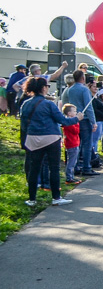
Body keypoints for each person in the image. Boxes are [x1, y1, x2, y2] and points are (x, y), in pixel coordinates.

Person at [20, 77, 77, 206]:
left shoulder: (26, 104)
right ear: (43, 88)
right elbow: (63, 120)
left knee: (34, 169)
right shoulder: (49, 104)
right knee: (54, 168)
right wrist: (77, 119)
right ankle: (56, 197)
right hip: (51, 138)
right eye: (47, 86)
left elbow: (23, 125)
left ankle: (32, 199)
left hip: (33, 139)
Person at [62, 70, 99, 177]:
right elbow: (89, 106)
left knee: (76, 144)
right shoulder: (84, 89)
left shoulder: (70, 89)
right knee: (87, 145)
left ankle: (75, 167)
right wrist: (93, 122)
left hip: (74, 119)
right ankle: (86, 167)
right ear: (83, 78)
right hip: (85, 119)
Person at [61, 104, 82, 185]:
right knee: (71, 162)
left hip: (74, 143)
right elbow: (76, 131)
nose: (76, 113)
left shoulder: (68, 121)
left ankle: (71, 176)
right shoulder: (69, 122)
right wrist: (77, 121)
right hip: (72, 143)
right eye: (74, 111)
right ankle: (69, 177)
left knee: (73, 161)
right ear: (69, 113)